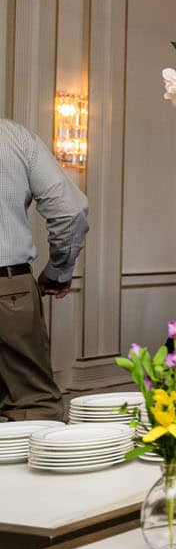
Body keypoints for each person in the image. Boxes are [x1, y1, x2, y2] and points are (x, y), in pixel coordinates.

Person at [0, 118, 88, 420]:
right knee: (31, 407)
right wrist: (58, 271)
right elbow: (70, 211)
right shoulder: (13, 136)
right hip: (8, 290)